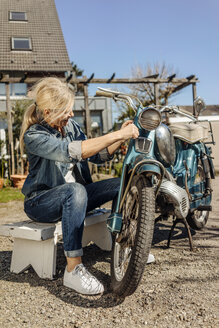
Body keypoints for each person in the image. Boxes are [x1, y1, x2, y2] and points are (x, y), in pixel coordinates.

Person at [20, 77, 139, 295]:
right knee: (74, 191)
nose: (72, 114)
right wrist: (118, 134)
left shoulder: (71, 127)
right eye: (67, 110)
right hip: (41, 202)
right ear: (48, 112)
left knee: (122, 183)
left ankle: (127, 246)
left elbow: (97, 156)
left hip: (77, 196)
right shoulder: (34, 136)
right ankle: (73, 269)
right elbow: (75, 151)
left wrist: (119, 139)